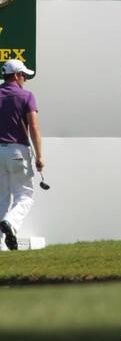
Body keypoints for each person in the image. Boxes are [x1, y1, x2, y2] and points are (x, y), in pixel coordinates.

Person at [0, 59, 45, 252]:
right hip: (17, 151)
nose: (25, 79)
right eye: (24, 75)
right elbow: (33, 127)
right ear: (16, 75)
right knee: (25, 195)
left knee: (2, 197)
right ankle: (10, 223)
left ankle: (0, 244)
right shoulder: (26, 96)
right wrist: (39, 156)